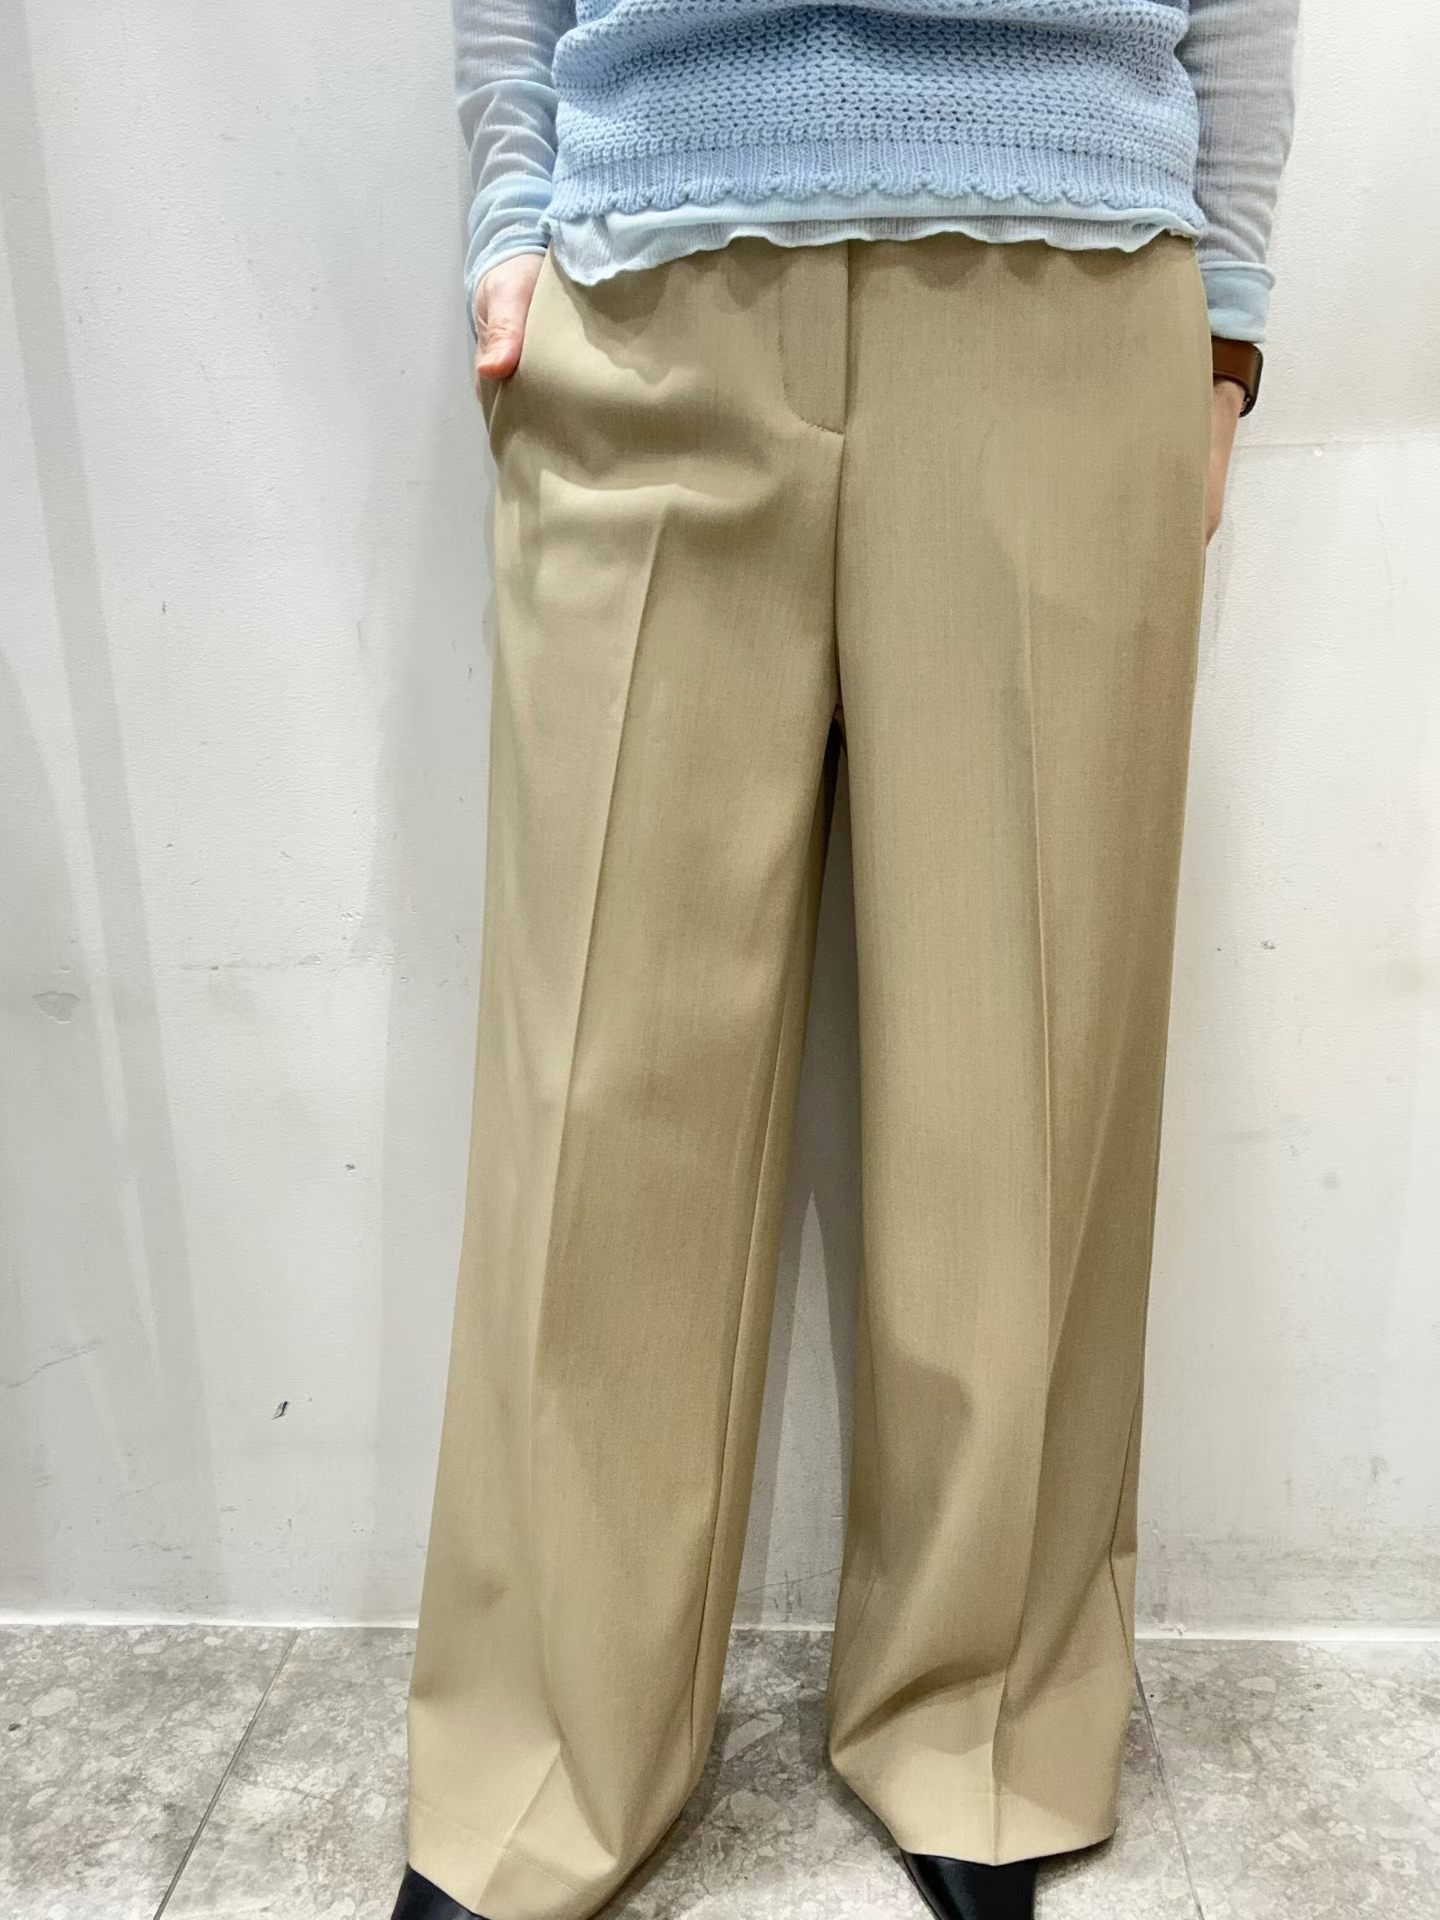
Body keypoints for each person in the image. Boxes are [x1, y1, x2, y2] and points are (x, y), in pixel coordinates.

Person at [392, 3, 1299, 1917]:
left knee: (1023, 1064)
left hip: (1070, 274)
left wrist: (1224, 323)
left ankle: (984, 1719)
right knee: (597, 1080)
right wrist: (509, 211)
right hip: (652, 274)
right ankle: (544, 1748)